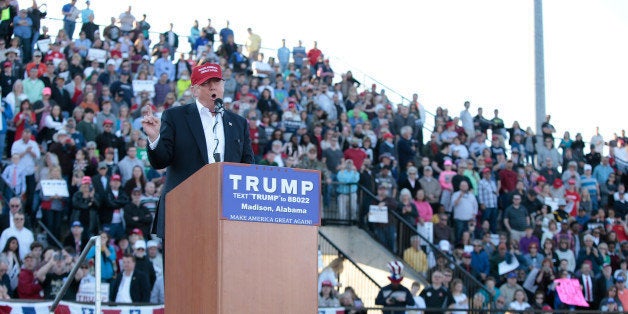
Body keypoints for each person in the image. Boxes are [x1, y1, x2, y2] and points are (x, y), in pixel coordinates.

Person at [142, 62, 254, 239]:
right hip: (183, 211)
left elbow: (247, 167)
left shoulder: (238, 123)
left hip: (224, 214)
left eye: (216, 82)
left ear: (223, 86)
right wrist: (155, 138)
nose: (212, 87)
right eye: (205, 83)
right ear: (194, 90)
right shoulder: (175, 116)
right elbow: (160, 161)